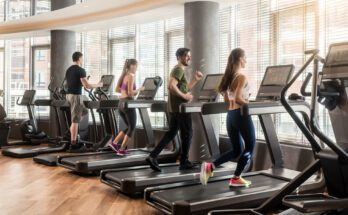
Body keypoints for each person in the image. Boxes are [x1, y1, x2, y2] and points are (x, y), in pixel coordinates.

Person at [200, 48, 256, 187]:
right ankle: (236, 177)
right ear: (240, 59)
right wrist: (248, 102)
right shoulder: (241, 77)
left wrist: (243, 97)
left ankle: (210, 167)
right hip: (241, 115)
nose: (246, 61)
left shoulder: (228, 78)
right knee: (249, 147)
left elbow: (227, 100)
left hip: (230, 116)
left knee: (237, 150)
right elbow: (238, 98)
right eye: (245, 58)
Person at [146, 48, 204, 171]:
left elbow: (183, 88)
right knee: (188, 134)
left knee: (172, 133)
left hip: (175, 108)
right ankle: (184, 161)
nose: (189, 58)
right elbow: (171, 86)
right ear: (179, 57)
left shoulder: (179, 70)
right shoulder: (178, 69)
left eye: (189, 56)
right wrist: (185, 97)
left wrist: (195, 80)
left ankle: (153, 156)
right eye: (186, 56)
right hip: (180, 109)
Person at [65, 51, 103, 151]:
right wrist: (98, 85)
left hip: (68, 95)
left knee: (84, 112)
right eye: (82, 58)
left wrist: (83, 82)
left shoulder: (69, 70)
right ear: (79, 59)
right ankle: (73, 143)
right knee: (75, 120)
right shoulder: (81, 70)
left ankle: (72, 130)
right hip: (76, 96)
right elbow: (87, 85)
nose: (82, 60)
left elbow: (73, 83)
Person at [108, 59, 144, 156]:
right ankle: (122, 149)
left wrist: (125, 92)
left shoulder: (124, 76)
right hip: (128, 103)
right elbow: (130, 93)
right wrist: (140, 89)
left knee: (128, 126)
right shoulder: (131, 76)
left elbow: (117, 89)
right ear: (131, 66)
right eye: (135, 65)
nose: (136, 68)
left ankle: (114, 143)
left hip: (121, 103)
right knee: (132, 128)